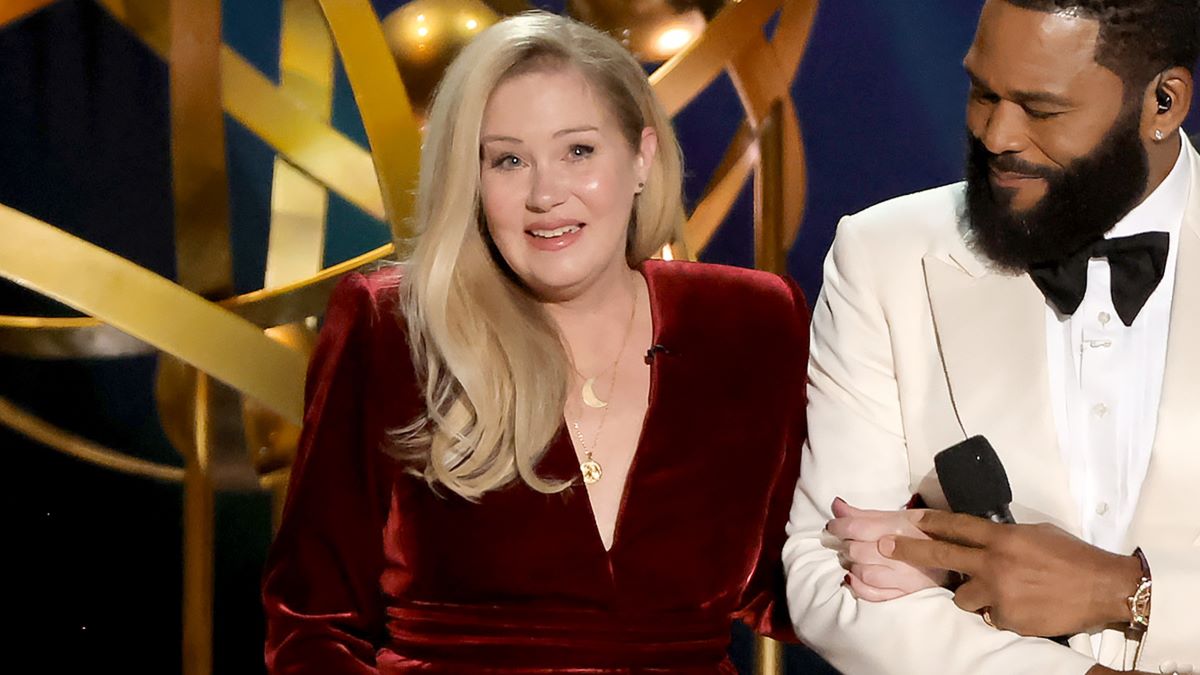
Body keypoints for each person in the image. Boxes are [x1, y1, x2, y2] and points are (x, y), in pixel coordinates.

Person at [262, 11, 808, 674]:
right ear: (471, 178)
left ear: (640, 158)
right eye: (508, 160)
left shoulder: (748, 321)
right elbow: (310, 622)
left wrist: (922, 560)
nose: (546, 193)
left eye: (578, 151)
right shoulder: (394, 325)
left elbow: (794, 579)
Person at [783, 1, 1200, 674]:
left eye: (1041, 109)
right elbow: (825, 570)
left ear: (1163, 102)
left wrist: (1123, 591)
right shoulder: (883, 255)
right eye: (983, 93)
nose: (997, 134)